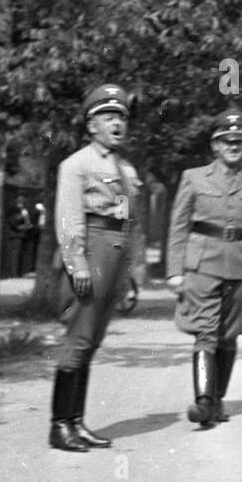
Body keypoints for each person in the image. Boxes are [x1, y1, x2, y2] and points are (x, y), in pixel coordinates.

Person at [50, 83, 144, 452]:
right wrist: (77, 265)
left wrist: (130, 268)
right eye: (107, 117)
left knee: (91, 343)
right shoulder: (76, 165)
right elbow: (69, 219)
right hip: (91, 255)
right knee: (76, 340)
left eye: (120, 116)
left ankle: (77, 422)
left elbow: (129, 221)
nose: (116, 123)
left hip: (115, 258)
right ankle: (59, 426)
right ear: (91, 126)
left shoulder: (125, 168)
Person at [167, 110, 242, 428]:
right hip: (203, 265)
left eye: (239, 141)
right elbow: (179, 225)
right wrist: (175, 270)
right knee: (205, 333)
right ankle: (202, 402)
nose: (233, 145)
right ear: (215, 145)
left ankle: (216, 399)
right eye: (227, 141)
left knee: (228, 336)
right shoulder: (194, 178)